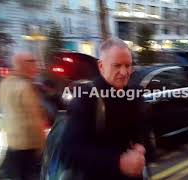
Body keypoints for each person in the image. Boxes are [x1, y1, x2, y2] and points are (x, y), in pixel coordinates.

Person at [58, 38, 147, 180]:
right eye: (117, 66)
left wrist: (140, 145)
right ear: (101, 66)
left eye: (128, 65)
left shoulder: (134, 93)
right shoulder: (86, 98)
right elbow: (69, 152)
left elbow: (141, 130)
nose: (124, 72)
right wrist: (118, 162)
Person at [0, 53, 47, 179]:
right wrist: (42, 144)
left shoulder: (5, 83)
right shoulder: (25, 86)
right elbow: (34, 118)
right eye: (33, 61)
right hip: (28, 144)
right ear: (24, 65)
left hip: (12, 143)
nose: (36, 65)